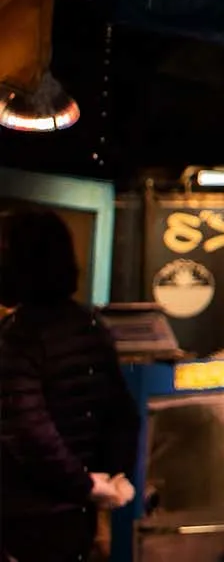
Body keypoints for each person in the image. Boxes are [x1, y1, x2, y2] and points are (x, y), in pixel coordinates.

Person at [1, 206, 138, 562]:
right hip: (78, 512)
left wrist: (86, 485)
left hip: (26, 515)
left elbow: (29, 430)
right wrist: (109, 479)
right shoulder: (91, 325)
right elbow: (122, 414)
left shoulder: (19, 337)